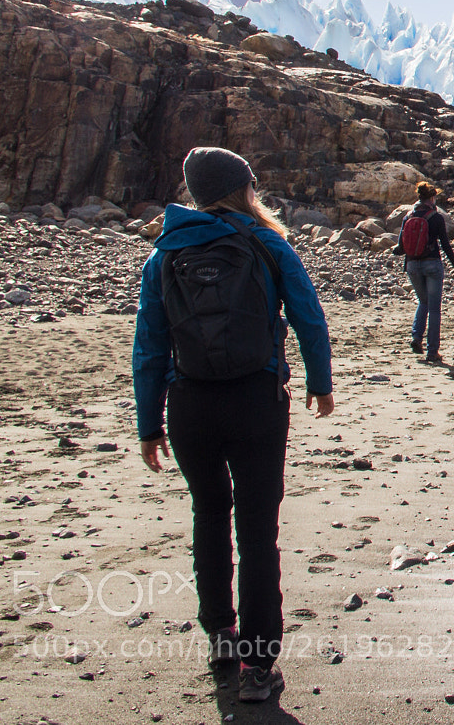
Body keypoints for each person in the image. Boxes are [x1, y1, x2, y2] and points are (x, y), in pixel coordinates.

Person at [133, 147, 334, 704]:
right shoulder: (266, 243)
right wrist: (321, 383)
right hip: (257, 400)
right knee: (257, 530)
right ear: (243, 188)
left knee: (208, 514)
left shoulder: (164, 252)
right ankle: (258, 664)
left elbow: (149, 345)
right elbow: (307, 315)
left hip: (189, 405)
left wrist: (149, 424)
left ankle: (221, 636)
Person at [399, 182, 454, 363]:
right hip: (432, 264)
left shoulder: (407, 216)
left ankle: (416, 338)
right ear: (433, 198)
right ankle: (432, 351)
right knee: (434, 308)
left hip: (412, 265)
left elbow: (400, 247)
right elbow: (445, 244)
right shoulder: (436, 217)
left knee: (423, 302)